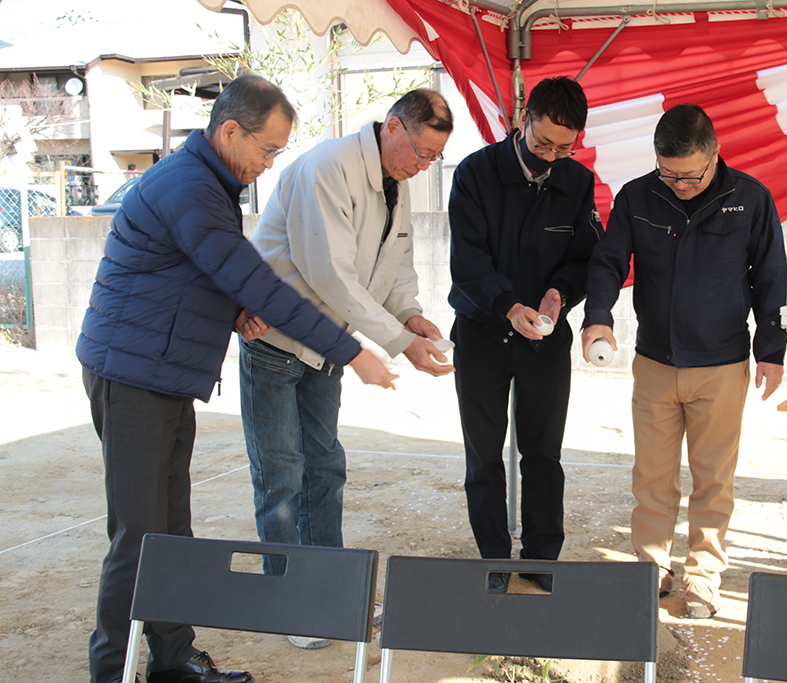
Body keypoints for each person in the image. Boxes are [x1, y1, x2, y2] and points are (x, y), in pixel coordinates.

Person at [76, 74, 397, 683]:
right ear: (230, 131)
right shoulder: (189, 187)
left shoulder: (212, 182)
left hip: (163, 376)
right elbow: (256, 282)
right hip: (131, 377)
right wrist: (352, 352)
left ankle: (170, 659)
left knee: (172, 531)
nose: (270, 164)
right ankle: (110, 671)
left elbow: (189, 273)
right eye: (268, 150)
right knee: (138, 539)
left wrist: (231, 309)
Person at [238, 89, 454, 649]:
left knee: (325, 468)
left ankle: (329, 593)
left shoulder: (396, 181)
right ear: (394, 128)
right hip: (277, 340)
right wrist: (397, 341)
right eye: (422, 153)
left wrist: (410, 314)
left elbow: (396, 261)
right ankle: (290, 604)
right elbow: (329, 273)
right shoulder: (326, 167)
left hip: (327, 346)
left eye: (433, 159)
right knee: (281, 476)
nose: (422, 166)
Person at [581, 103, 787, 619]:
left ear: (715, 154)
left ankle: (702, 575)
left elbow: (771, 278)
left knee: (713, 476)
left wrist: (772, 350)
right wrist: (598, 316)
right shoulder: (638, 196)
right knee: (652, 475)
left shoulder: (750, 200)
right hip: (654, 363)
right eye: (668, 173)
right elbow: (609, 262)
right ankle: (651, 567)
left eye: (691, 174)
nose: (679, 184)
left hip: (721, 366)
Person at [448, 76, 601, 593]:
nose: (551, 155)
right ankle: (493, 558)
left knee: (543, 454)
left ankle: (542, 560)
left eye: (564, 147)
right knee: (484, 454)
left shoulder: (577, 183)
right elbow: (466, 263)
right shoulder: (475, 173)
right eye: (542, 143)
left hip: (546, 339)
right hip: (482, 333)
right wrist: (508, 306)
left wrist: (560, 293)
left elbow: (584, 258)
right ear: (523, 119)